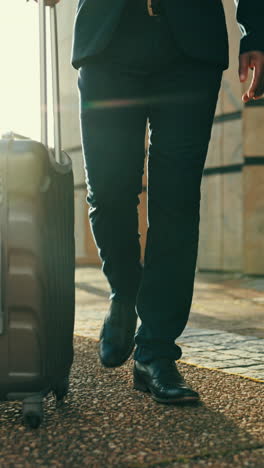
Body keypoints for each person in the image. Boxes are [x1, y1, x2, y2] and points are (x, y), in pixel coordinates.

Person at [48, 0, 264, 404]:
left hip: (189, 48)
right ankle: (124, 291)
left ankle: (156, 352)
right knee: (109, 194)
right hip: (108, 42)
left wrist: (257, 28)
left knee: (177, 205)